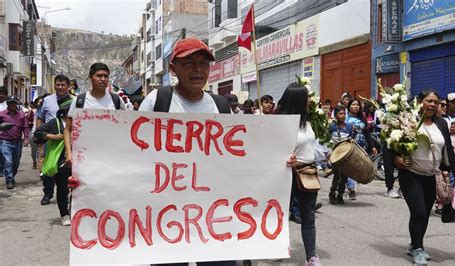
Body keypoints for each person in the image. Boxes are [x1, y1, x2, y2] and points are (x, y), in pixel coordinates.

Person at [137, 37, 297, 266]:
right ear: (173, 69)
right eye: (189, 62)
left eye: (203, 63)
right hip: (167, 216)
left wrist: (279, 160)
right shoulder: (158, 100)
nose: (198, 69)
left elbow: (242, 154)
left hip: (215, 217)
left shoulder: (221, 106)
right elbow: (131, 153)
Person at [392, 89, 455, 265]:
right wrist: (396, 158)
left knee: (424, 214)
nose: (432, 104)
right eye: (428, 101)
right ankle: (417, 249)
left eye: (435, 102)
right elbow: (390, 145)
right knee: (419, 212)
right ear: (420, 102)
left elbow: (448, 150)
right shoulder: (409, 120)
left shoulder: (441, 123)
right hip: (411, 175)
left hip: (432, 176)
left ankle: (415, 245)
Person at [275, 82, 321, 266]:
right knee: (280, 213)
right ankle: (277, 247)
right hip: (287, 175)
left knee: (308, 215)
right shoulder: (281, 124)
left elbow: (312, 146)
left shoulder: (307, 122)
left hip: (308, 174)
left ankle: (311, 256)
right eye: (307, 98)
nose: (310, 101)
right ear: (298, 100)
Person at [64, 62, 125, 166]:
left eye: (106, 76)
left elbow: (126, 128)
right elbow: (68, 129)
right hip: (84, 159)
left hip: (112, 158)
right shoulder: (79, 101)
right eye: (99, 75)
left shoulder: (116, 100)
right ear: (90, 78)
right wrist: (69, 153)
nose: (103, 79)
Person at [34, 96, 73, 226]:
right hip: (61, 161)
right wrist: (53, 136)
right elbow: (38, 134)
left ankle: (76, 211)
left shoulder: (80, 120)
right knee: (62, 189)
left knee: (78, 189)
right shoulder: (55, 123)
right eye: (68, 107)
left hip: (78, 160)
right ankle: (64, 214)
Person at [36, 74, 71, 205]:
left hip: (67, 140)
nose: (60, 87)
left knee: (66, 169)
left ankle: (65, 193)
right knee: (49, 167)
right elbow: (39, 118)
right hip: (50, 139)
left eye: (63, 85)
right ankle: (47, 194)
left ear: (68, 86)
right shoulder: (47, 100)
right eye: (58, 84)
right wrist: (41, 141)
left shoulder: (74, 101)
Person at [345, 98, 377, 200]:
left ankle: (350, 186)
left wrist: (372, 146)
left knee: (358, 166)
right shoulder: (344, 117)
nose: (356, 107)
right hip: (349, 145)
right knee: (350, 166)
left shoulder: (362, 118)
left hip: (362, 145)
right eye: (353, 105)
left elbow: (367, 133)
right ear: (349, 106)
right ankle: (351, 189)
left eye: (357, 105)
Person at [0, 96, 29, 189]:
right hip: (5, 141)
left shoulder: (21, 115)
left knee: (16, 163)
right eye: (10, 103)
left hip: (17, 142)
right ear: (7, 104)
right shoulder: (2, 114)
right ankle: (9, 180)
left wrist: (26, 138)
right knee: (8, 161)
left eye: (14, 103)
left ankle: (11, 176)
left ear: (16, 103)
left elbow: (25, 127)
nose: (12, 104)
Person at [328, 105, 352, 204]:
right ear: (336, 115)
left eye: (344, 114)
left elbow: (351, 138)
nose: (343, 116)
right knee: (337, 175)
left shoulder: (349, 126)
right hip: (335, 154)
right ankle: (333, 193)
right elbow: (327, 140)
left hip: (346, 155)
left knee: (345, 175)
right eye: (340, 114)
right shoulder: (332, 126)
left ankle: (340, 194)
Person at [29, 97, 43, 169]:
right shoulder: (33, 111)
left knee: (41, 152)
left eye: (42, 102)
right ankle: (34, 161)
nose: (40, 103)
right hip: (33, 133)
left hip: (43, 134)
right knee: (34, 151)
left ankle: (41, 168)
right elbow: (34, 123)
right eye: (39, 102)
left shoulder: (45, 111)